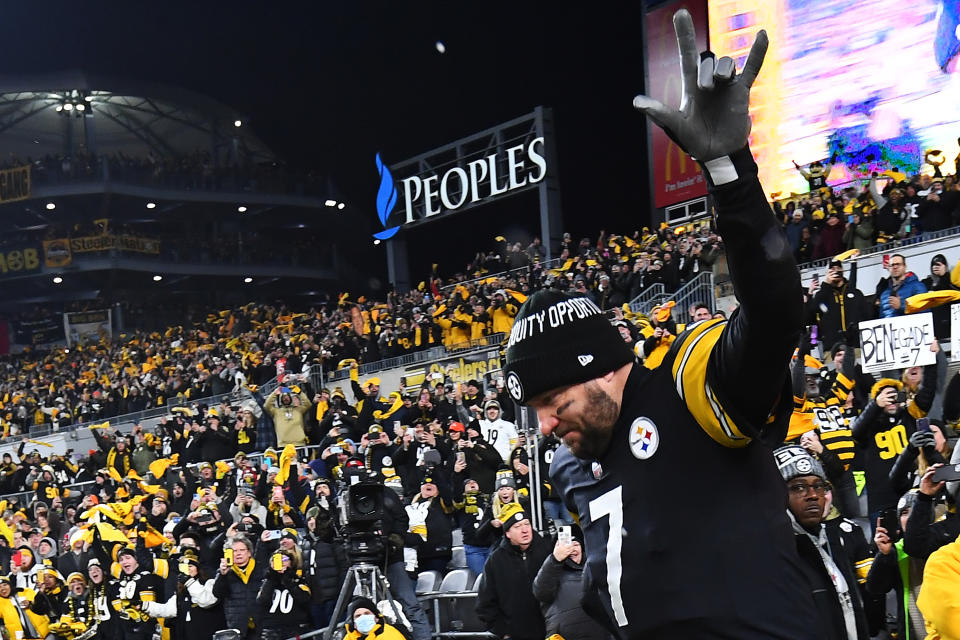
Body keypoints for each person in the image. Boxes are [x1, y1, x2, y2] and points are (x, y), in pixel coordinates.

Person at [504, 12, 822, 638]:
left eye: (552, 400)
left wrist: (730, 173)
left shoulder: (688, 386)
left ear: (596, 370)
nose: (544, 425)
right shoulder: (588, 452)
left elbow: (775, 313)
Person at [775, 446, 870, 639]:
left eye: (818, 485)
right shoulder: (771, 554)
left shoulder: (830, 540)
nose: (813, 495)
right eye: (798, 487)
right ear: (776, 493)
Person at [476, 504, 551, 640]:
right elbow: (485, 603)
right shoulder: (495, 560)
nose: (524, 530)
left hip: (550, 632)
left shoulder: (547, 551)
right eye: (517, 526)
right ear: (508, 533)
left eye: (526, 524)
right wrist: (503, 632)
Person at [532, 526, 612, 640]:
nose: (572, 549)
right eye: (567, 546)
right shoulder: (551, 571)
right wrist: (555, 559)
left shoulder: (593, 568)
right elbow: (540, 591)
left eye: (576, 545)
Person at [342, 597, 407, 640]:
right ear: (354, 624)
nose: (363, 617)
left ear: (376, 618)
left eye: (367, 613)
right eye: (358, 616)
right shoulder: (351, 636)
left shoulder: (388, 635)